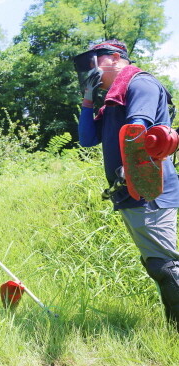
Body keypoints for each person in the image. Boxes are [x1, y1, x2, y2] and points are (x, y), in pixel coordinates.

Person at [75, 40, 179, 329]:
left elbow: (137, 128)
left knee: (165, 265)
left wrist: (129, 164)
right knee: (157, 264)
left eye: (94, 62)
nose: (90, 70)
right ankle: (172, 331)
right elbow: (86, 139)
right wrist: (87, 96)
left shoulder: (140, 84)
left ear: (114, 59)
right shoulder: (112, 99)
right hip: (131, 191)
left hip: (150, 190)